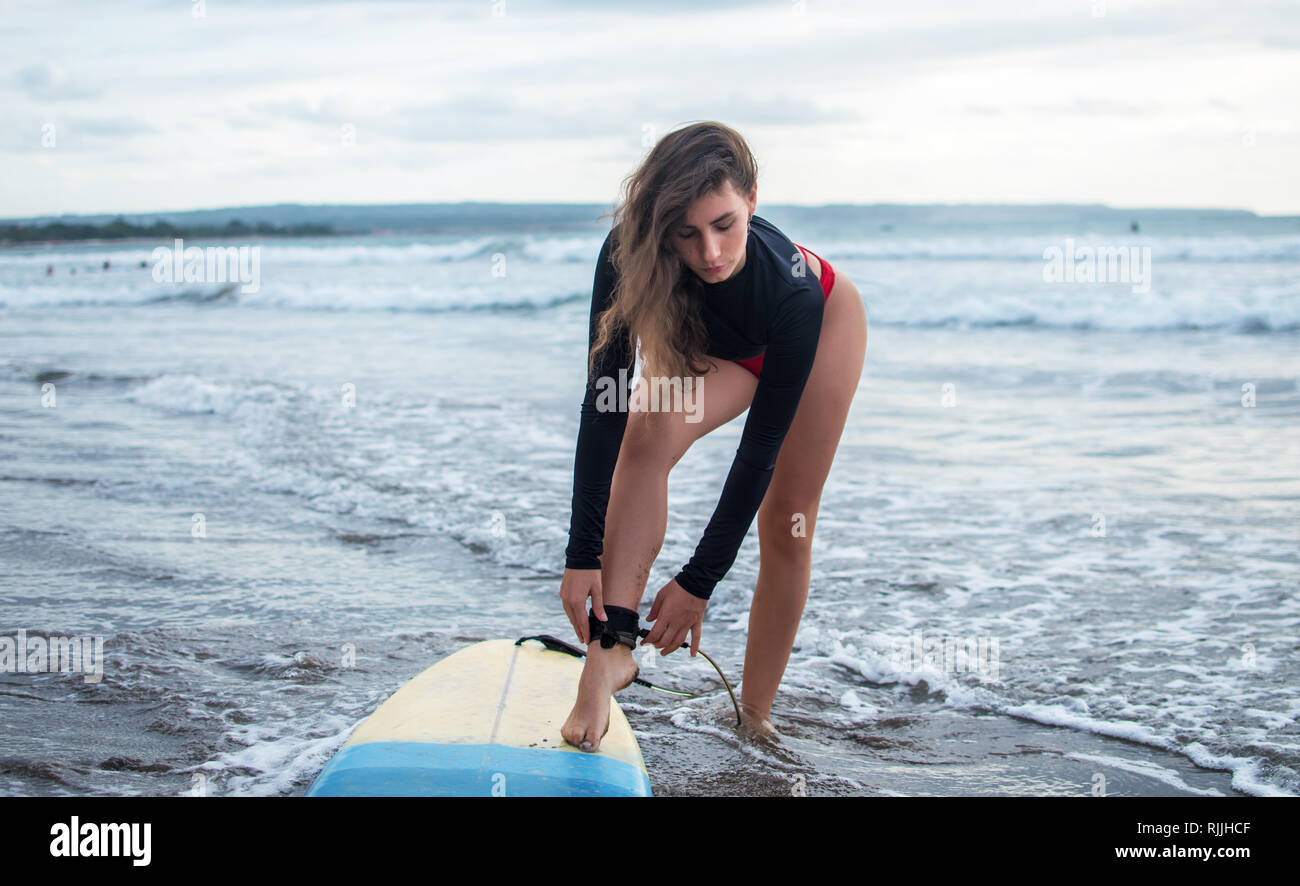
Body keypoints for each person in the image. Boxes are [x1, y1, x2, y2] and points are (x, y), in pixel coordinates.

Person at [559, 121, 868, 751]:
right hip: (720, 354)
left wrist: (699, 581)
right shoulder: (628, 252)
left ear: (753, 199)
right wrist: (580, 552)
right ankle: (610, 651)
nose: (710, 253)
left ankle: (754, 713)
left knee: (787, 520)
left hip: (813, 331)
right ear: (659, 225)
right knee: (643, 434)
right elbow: (603, 404)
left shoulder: (795, 291)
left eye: (725, 224)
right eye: (688, 233)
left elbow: (759, 451)